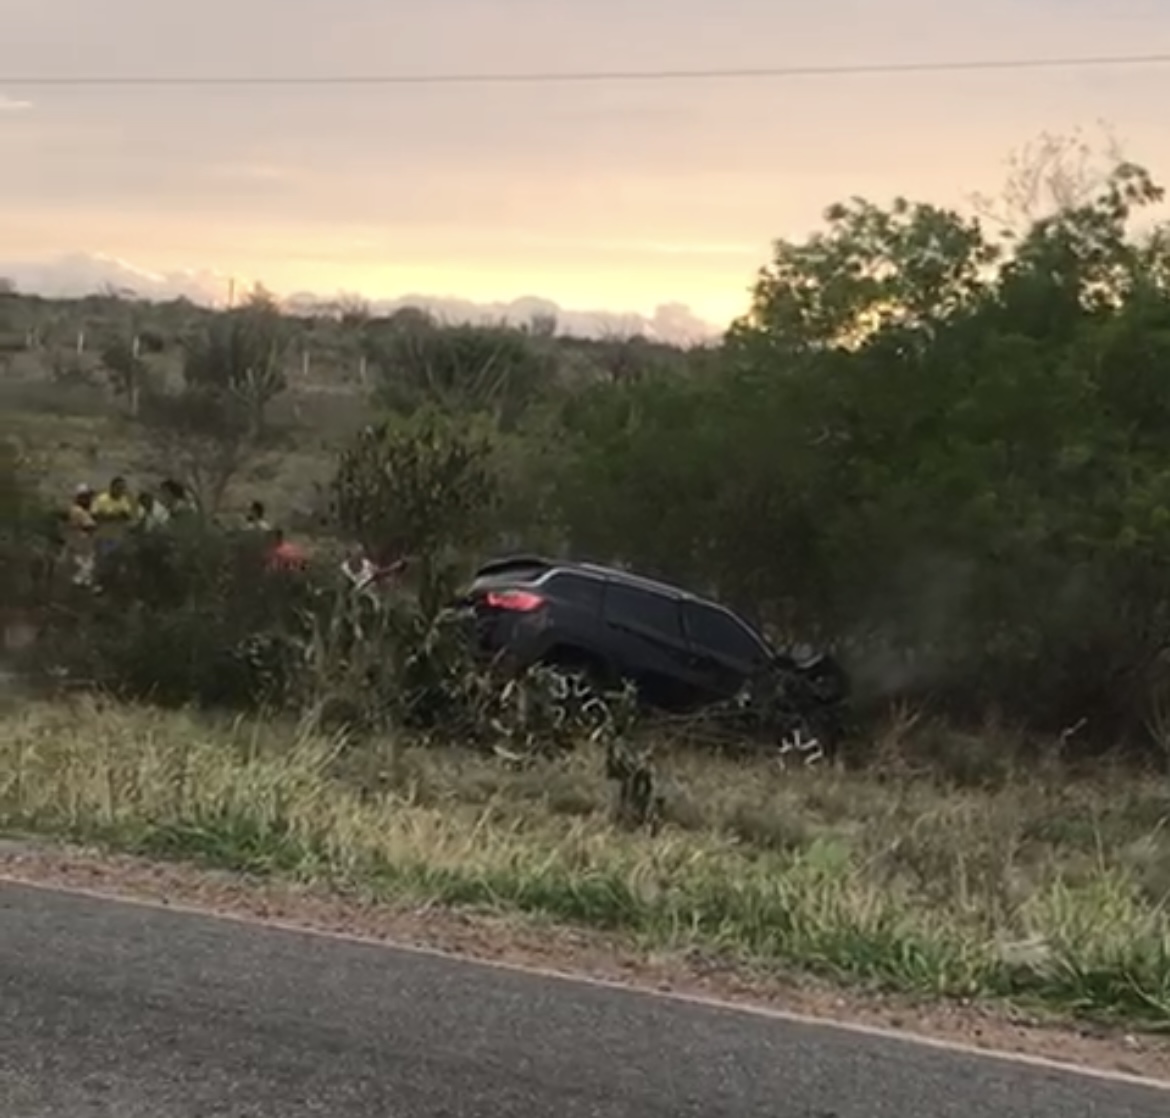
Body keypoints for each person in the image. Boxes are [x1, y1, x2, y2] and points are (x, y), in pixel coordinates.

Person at [65, 483, 97, 586]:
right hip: (80, 547)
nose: (89, 499)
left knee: (87, 573)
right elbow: (90, 526)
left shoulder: (84, 510)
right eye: (86, 497)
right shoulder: (77, 510)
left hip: (85, 547)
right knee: (81, 574)